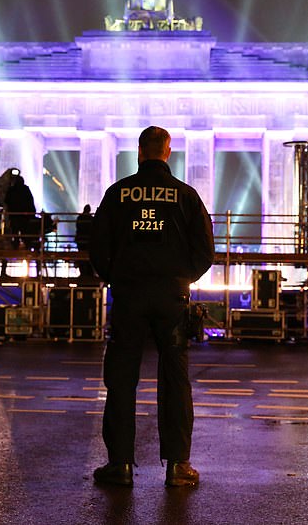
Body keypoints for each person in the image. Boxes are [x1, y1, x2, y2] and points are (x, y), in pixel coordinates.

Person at [90, 126, 215, 488]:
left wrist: (116, 277)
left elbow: (98, 246)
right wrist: (181, 278)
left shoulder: (118, 194)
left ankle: (120, 464)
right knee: (175, 380)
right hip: (172, 299)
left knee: (121, 379)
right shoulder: (186, 195)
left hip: (129, 296)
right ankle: (178, 466)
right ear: (168, 153)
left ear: (140, 152)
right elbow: (205, 252)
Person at [75, 204, 94, 278]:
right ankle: (88, 273)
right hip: (88, 240)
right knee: (88, 257)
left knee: (81, 257)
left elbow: (78, 227)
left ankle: (83, 272)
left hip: (80, 240)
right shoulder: (91, 218)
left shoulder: (80, 218)